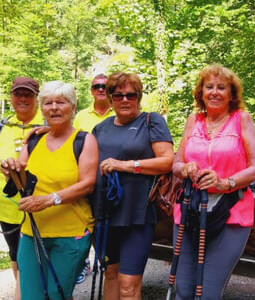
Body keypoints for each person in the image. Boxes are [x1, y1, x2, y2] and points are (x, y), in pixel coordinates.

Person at [1, 80, 98, 300]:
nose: (54, 108)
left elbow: (87, 184)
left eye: (61, 102)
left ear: (73, 107)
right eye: (48, 103)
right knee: (30, 295)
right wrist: (11, 169)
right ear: (42, 108)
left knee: (57, 295)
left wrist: (48, 200)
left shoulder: (84, 140)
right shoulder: (34, 139)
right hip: (32, 232)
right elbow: (22, 179)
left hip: (70, 233)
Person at [172, 64, 255, 299]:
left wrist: (226, 182)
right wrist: (186, 169)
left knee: (208, 292)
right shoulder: (194, 120)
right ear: (200, 92)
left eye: (221, 87)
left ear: (231, 94)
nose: (214, 92)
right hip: (190, 209)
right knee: (182, 288)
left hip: (232, 211)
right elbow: (176, 164)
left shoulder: (241, 119)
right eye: (208, 87)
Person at [92, 71, 174, 300]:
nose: (125, 100)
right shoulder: (101, 128)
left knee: (128, 283)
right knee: (110, 274)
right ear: (110, 99)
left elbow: (167, 161)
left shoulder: (151, 121)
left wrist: (124, 165)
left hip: (137, 214)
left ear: (138, 97)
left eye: (131, 95)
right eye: (118, 95)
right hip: (104, 214)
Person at [0, 77, 44, 300]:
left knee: (41, 259)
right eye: (19, 94)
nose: (23, 99)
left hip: (39, 205)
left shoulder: (47, 125)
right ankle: (24, 293)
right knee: (16, 255)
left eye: (28, 94)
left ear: (37, 97)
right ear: (11, 97)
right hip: (7, 207)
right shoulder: (3, 126)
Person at [73, 74, 115, 284]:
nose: (100, 89)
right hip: (85, 178)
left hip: (110, 181)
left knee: (103, 224)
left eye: (105, 87)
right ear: (91, 90)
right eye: (96, 86)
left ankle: (106, 261)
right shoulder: (81, 115)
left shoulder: (119, 111)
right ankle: (83, 261)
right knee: (84, 220)